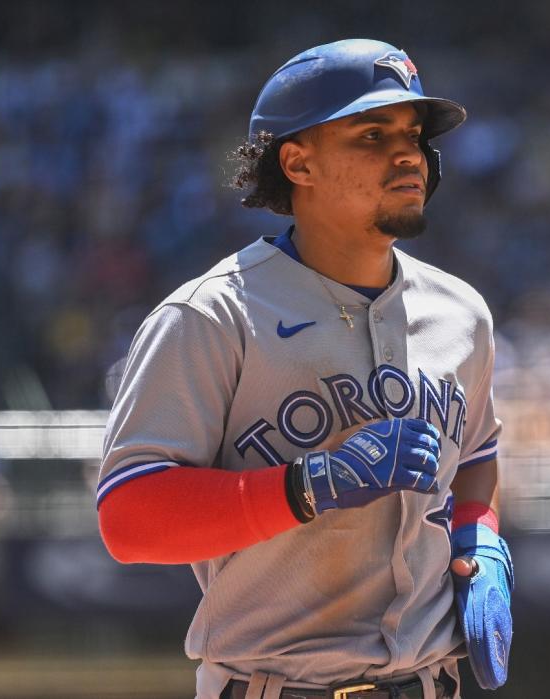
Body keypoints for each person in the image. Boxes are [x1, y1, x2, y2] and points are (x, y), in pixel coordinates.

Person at [96, 39, 513, 699]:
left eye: (413, 134)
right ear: (297, 161)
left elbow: (479, 454)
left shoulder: (462, 314)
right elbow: (128, 515)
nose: (407, 154)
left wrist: (479, 536)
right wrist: (305, 485)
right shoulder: (210, 316)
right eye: (372, 134)